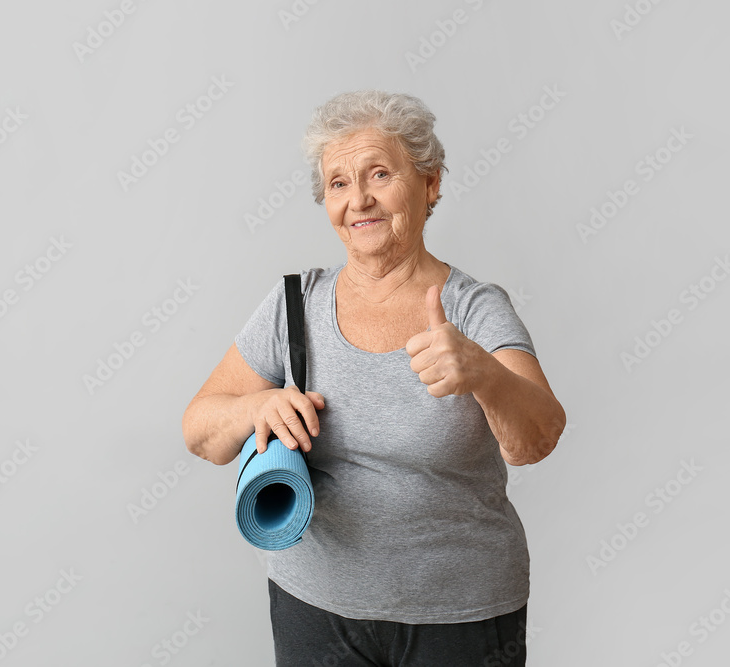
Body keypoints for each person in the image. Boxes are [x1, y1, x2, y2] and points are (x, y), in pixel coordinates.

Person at [182, 90, 566, 666]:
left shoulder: (475, 309)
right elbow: (199, 430)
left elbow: (537, 439)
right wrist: (252, 409)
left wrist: (484, 373)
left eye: (379, 173)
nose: (358, 199)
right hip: (314, 609)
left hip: (460, 617)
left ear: (430, 184)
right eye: (338, 183)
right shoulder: (294, 304)